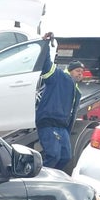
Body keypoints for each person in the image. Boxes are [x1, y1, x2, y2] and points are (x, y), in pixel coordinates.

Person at [35, 32, 86, 170]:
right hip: (49, 123)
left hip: (62, 128)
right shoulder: (59, 77)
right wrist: (45, 44)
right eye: (77, 70)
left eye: (82, 71)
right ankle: (39, 178)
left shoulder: (77, 92)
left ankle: (52, 178)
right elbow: (46, 65)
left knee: (65, 157)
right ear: (69, 71)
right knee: (53, 156)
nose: (80, 73)